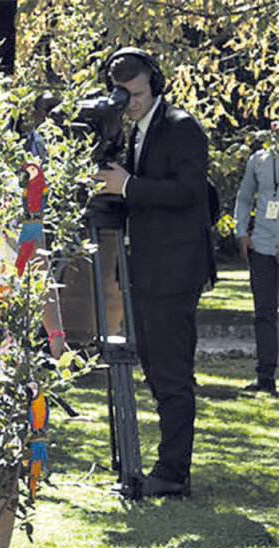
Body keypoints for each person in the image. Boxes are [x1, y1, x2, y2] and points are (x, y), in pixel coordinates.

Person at [93, 48, 215, 498]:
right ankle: (167, 467)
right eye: (122, 95)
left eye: (138, 94)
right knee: (156, 370)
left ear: (155, 86)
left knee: (172, 372)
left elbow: (189, 192)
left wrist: (127, 185)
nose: (130, 103)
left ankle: (173, 473)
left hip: (174, 272)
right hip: (147, 270)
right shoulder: (136, 131)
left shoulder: (181, 127)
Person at [234, 123, 279, 396]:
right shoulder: (259, 159)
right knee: (264, 314)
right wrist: (241, 233)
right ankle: (265, 377)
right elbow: (244, 198)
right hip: (261, 246)